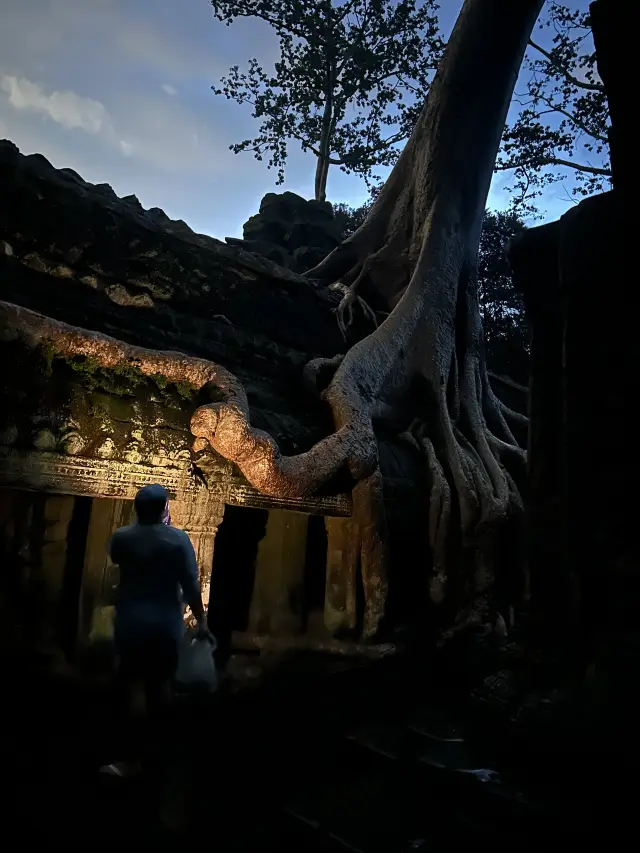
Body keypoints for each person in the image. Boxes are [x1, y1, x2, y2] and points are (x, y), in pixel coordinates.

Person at [100, 483, 211, 776]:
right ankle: (159, 758)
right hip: (165, 625)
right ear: (165, 509)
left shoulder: (122, 537)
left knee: (133, 687)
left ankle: (132, 758)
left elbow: (118, 560)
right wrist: (201, 620)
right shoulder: (178, 540)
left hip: (131, 623)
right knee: (161, 688)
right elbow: (190, 585)